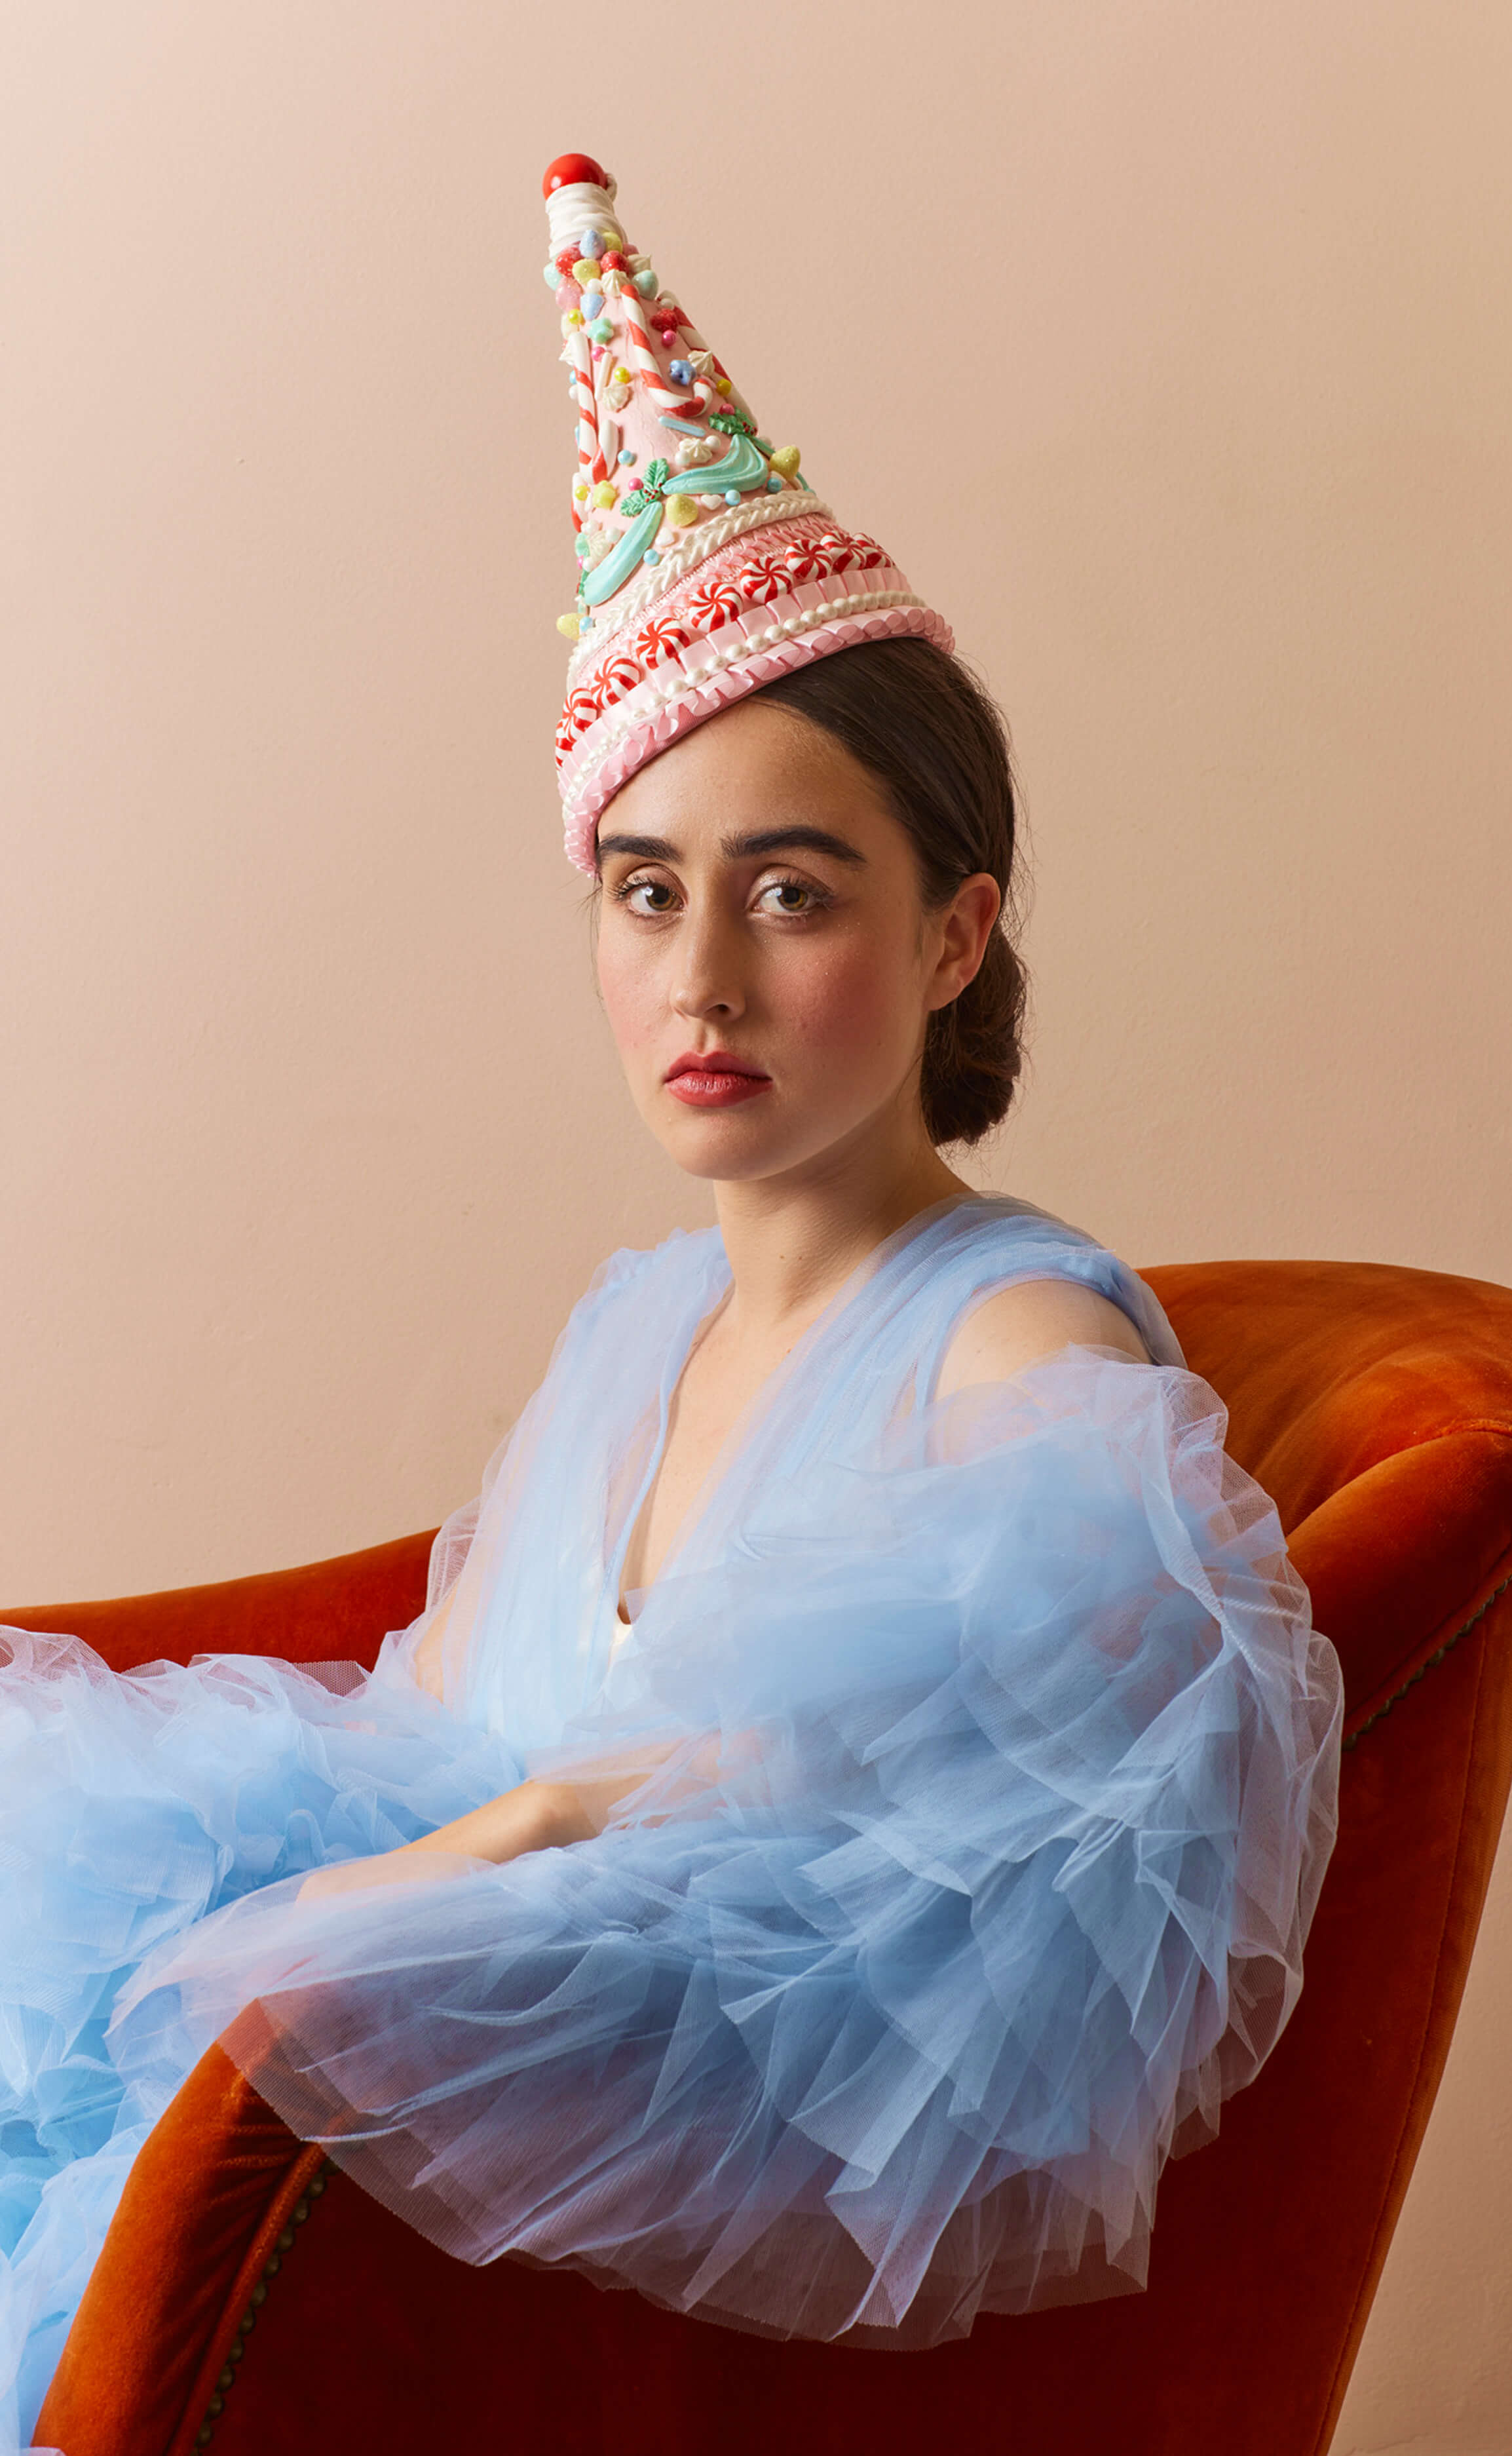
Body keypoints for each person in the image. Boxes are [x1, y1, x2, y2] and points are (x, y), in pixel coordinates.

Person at [0, 157, 1341, 2449]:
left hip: (594, 2245)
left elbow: (924, 1868)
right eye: (645, 891)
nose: (699, 977)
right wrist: (407, 1861)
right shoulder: (640, 1330)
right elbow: (447, 1723)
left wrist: (475, 1867)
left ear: (950, 935)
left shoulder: (1020, 1351)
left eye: (792, 891)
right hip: (407, 2135)